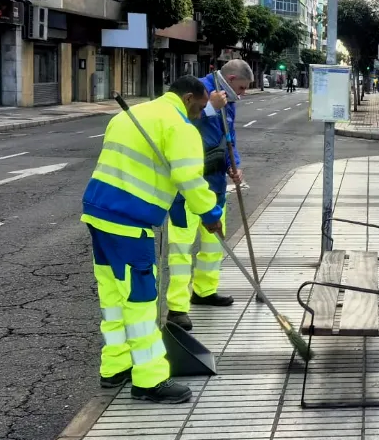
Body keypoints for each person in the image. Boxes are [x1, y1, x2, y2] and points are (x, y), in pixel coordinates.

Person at [81, 75, 223, 404]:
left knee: (113, 297)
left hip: (98, 214)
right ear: (189, 98)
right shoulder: (179, 127)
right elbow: (189, 178)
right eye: (200, 108)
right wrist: (211, 214)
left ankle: (115, 367)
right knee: (141, 303)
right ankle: (149, 380)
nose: (200, 115)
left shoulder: (128, 116)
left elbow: (141, 168)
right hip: (130, 223)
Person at [164, 60, 253, 330]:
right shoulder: (197, 91)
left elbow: (228, 138)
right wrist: (212, 107)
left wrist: (233, 166)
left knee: (214, 241)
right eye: (242, 87)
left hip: (214, 182)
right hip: (187, 183)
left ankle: (204, 291)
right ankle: (177, 308)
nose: (244, 93)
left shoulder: (229, 101)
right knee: (181, 247)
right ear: (232, 77)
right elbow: (180, 124)